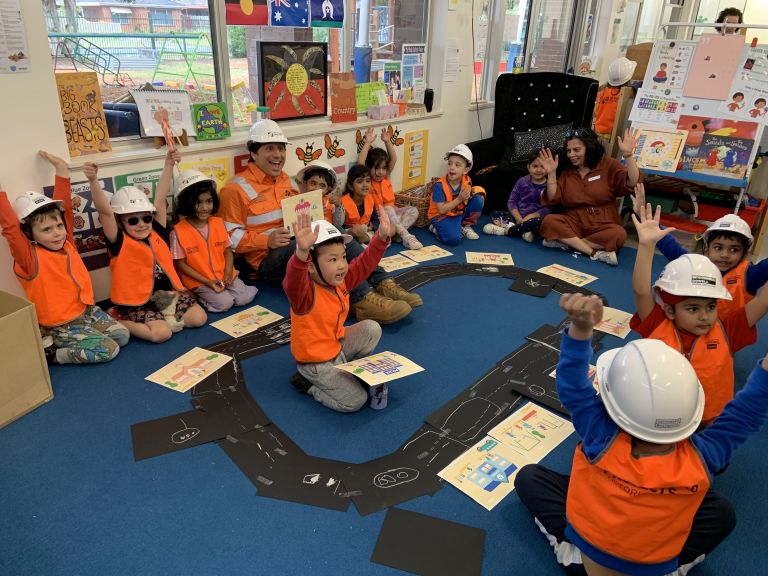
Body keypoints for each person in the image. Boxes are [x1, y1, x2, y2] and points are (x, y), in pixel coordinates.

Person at [515, 291, 768, 576]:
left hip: (588, 563)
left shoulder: (599, 436)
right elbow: (747, 412)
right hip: (656, 565)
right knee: (721, 512)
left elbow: (572, 386)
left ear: (611, 405)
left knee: (529, 477)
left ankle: (568, 551)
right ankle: (674, 569)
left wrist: (581, 329)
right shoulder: (705, 456)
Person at [221, 120, 416, 323]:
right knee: (315, 242)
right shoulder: (234, 189)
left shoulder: (286, 180)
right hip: (266, 262)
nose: (278, 155)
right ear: (253, 152)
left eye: (280, 148)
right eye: (269, 148)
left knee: (332, 229)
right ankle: (362, 298)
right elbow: (228, 238)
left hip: (296, 242)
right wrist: (266, 241)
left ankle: (381, 280)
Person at [631, 203, 768, 424]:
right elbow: (640, 290)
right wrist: (646, 245)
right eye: (693, 308)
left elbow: (763, 301)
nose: (705, 316)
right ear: (669, 309)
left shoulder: (727, 330)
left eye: (711, 306)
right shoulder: (658, 324)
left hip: (709, 418)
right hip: (662, 413)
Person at [0, 151, 129, 364]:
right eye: (47, 230)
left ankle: (84, 336)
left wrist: (62, 169)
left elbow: (66, 210)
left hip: (87, 312)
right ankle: (53, 354)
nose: (57, 233)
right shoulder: (29, 258)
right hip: (61, 325)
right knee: (109, 350)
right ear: (30, 234)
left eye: (59, 226)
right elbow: (11, 228)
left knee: (122, 336)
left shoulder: (66, 242)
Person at [283, 210, 392, 412]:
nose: (342, 265)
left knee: (372, 328)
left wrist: (380, 239)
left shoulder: (339, 281)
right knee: (355, 401)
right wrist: (301, 254)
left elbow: (362, 264)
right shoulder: (303, 295)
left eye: (342, 257)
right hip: (316, 362)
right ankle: (310, 386)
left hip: (336, 346)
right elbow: (293, 280)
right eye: (332, 260)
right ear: (311, 267)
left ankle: (349, 373)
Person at [92, 150, 207, 342]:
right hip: (137, 302)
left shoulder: (157, 231)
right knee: (162, 334)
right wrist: (93, 180)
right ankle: (117, 318)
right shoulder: (118, 241)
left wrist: (168, 165)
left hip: (166, 296)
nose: (142, 224)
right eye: (133, 220)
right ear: (121, 222)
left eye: (146, 217)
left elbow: (160, 199)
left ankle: (164, 316)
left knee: (199, 318)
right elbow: (104, 213)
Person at [298, 160, 420, 316]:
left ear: (327, 189)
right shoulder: (298, 203)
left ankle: (383, 282)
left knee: (344, 239)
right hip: (307, 243)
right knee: (337, 244)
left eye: (321, 186)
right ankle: (363, 297)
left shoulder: (328, 202)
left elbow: (338, 222)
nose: (316, 189)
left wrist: (337, 208)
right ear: (304, 185)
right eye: (312, 184)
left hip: (331, 234)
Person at [633, 183, 768, 319]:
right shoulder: (695, 265)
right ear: (706, 249)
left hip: (725, 336)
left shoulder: (749, 275)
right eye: (718, 247)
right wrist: (643, 215)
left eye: (734, 249)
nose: (725, 255)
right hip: (690, 329)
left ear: (744, 253)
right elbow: (670, 246)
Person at [538, 127, 640, 266]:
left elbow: (633, 181)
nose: (571, 155)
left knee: (618, 234)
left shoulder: (609, 164)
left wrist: (628, 155)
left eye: (576, 150)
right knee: (549, 221)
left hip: (604, 222)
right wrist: (551, 174)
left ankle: (570, 243)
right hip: (574, 221)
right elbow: (552, 197)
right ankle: (594, 253)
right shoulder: (568, 172)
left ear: (590, 148)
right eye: (568, 151)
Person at [170, 169, 257, 313]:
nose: (205, 207)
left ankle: (235, 289)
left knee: (243, 299)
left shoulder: (217, 223)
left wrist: (228, 273)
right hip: (200, 281)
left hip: (225, 276)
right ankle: (200, 297)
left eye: (209, 201)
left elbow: (227, 251)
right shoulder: (178, 232)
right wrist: (207, 282)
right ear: (186, 203)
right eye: (198, 202)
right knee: (225, 304)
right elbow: (180, 264)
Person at [358, 126, 423, 249]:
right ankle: (406, 236)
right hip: (379, 217)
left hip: (394, 213)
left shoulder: (386, 177)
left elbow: (393, 159)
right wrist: (367, 142)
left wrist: (387, 141)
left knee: (414, 210)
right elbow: (361, 163)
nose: (380, 172)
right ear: (369, 168)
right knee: (387, 208)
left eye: (383, 168)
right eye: (377, 168)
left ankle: (396, 233)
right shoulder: (368, 181)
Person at [482, 152, 550, 242]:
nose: (538, 170)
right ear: (528, 167)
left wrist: (531, 216)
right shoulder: (522, 181)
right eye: (535, 166)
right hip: (518, 217)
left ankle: (505, 231)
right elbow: (512, 201)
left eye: (542, 166)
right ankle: (522, 231)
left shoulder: (549, 185)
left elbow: (548, 209)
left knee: (541, 223)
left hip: (534, 219)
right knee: (495, 213)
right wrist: (518, 218)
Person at [428, 144, 485, 245]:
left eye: (457, 165)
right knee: (454, 239)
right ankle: (435, 228)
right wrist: (459, 199)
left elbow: (468, 200)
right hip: (441, 216)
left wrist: (470, 196)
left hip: (457, 213)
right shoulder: (439, 186)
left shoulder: (467, 180)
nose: (451, 168)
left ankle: (464, 226)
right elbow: (441, 210)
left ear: (466, 170)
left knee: (478, 199)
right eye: (450, 164)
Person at [594, 57, 637, 141]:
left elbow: (596, 112)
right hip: (612, 136)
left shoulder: (602, 91)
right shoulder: (625, 95)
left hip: (597, 133)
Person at [340, 163, 376, 245]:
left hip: (367, 231)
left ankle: (367, 242)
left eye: (368, 181)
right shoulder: (342, 202)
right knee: (356, 230)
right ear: (350, 186)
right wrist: (351, 231)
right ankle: (367, 244)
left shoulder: (370, 198)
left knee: (388, 230)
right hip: (350, 234)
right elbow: (339, 227)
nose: (365, 185)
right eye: (360, 182)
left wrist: (372, 226)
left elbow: (376, 218)